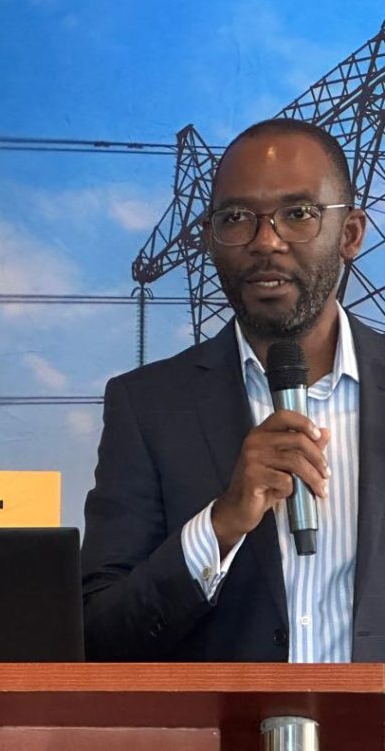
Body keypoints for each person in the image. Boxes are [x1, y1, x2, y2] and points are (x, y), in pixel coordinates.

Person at [80, 117, 385, 662]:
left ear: (351, 234)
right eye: (237, 218)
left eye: (298, 214)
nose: (266, 241)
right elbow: (101, 635)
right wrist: (221, 524)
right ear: (209, 238)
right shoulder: (148, 407)